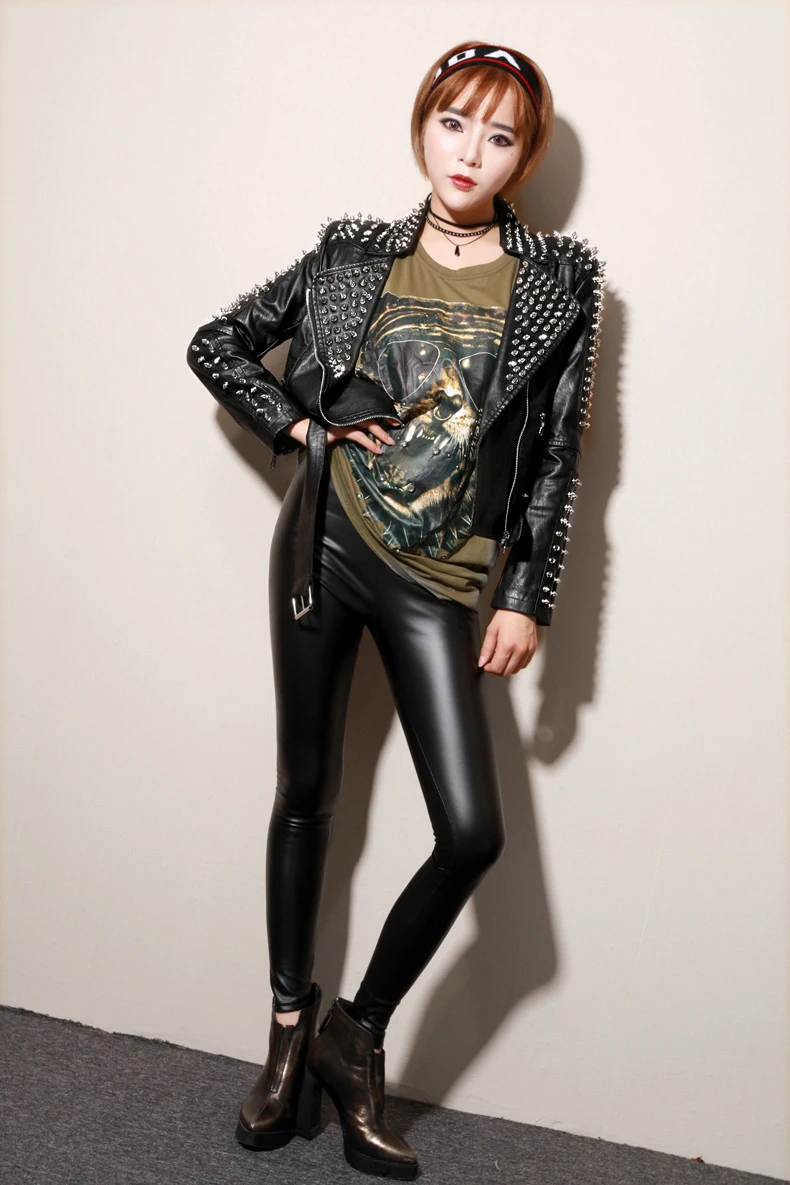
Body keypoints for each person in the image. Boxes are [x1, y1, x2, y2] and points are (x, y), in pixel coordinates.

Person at [186, 40, 604, 1180]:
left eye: (500, 135)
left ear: (523, 156)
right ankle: (286, 1035)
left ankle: (353, 1033)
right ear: (422, 126)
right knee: (306, 792)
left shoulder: (558, 283)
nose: (470, 152)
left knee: (470, 832)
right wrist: (300, 425)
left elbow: (558, 455)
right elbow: (217, 344)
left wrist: (526, 595)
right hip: (323, 547)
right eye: (453, 123)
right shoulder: (350, 255)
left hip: (441, 580)